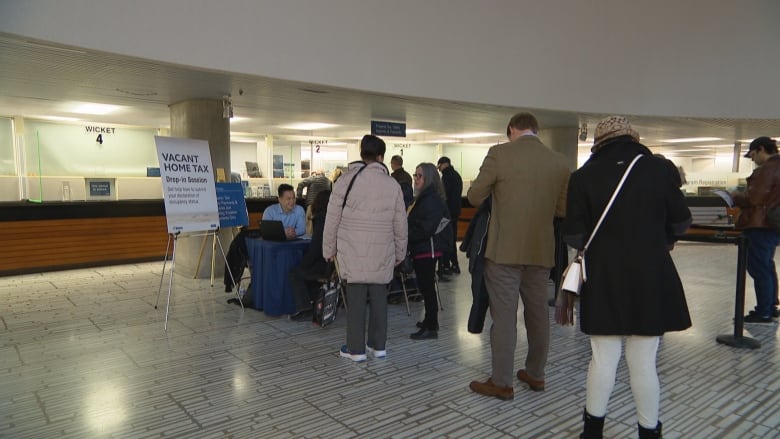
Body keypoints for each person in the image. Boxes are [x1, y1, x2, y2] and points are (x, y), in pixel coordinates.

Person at [560, 115, 692, 439]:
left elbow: (574, 234)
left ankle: (592, 431)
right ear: (633, 138)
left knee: (603, 359)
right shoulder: (660, 170)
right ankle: (649, 431)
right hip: (650, 273)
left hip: (603, 275)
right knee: (644, 361)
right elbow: (681, 221)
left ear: (599, 142)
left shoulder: (583, 176)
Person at [467, 112, 569, 401]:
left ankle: (501, 382)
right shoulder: (559, 162)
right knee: (538, 315)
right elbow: (562, 210)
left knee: (504, 317)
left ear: (512, 129)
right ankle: (535, 375)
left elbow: (474, 196)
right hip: (541, 252)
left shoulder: (499, 154)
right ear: (536, 130)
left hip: (503, 252)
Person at [323, 134, 407, 362]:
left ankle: (355, 349)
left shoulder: (345, 181)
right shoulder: (392, 185)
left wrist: (328, 249)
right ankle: (378, 346)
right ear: (381, 157)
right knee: (380, 298)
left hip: (352, 252)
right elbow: (401, 223)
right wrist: (400, 252)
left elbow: (332, 218)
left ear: (362, 154)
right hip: (382, 252)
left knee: (356, 299)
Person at [731, 136, 780, 323]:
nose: (752, 159)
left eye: (752, 155)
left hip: (760, 224)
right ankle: (770, 306)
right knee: (767, 266)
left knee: (759, 268)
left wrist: (735, 196)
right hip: (773, 224)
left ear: (761, 149)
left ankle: (763, 311)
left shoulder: (768, 169)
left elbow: (754, 198)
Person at [407, 162, 450, 340]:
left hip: (427, 248)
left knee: (427, 288)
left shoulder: (430, 199)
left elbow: (426, 228)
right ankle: (429, 320)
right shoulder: (424, 197)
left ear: (429, 178)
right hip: (423, 248)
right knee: (425, 287)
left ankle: (431, 326)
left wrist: (407, 234)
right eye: (415, 175)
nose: (416, 179)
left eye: (419, 176)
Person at [288, 190, 332, 323]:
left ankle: (304, 307)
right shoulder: (334, 218)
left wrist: (303, 264)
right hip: (336, 265)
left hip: (325, 266)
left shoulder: (321, 219)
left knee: (295, 273)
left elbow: (316, 249)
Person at [437, 156, 463, 275]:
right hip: (455, 211)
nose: (439, 169)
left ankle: (446, 265)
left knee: (446, 239)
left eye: (439, 166)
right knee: (451, 239)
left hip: (447, 213)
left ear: (444, 164)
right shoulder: (457, 175)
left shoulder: (446, 177)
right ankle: (455, 265)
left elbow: (444, 196)